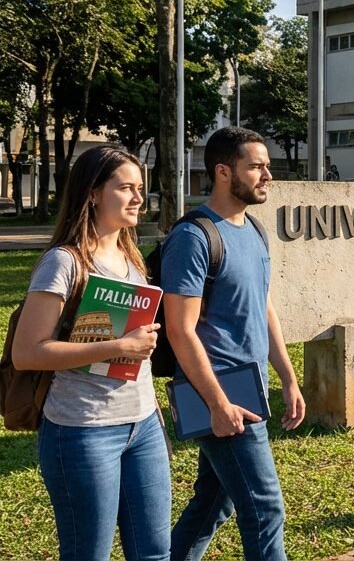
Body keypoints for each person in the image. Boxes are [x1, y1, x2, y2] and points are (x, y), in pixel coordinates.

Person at [13, 145, 169, 561]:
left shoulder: (130, 256)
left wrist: (150, 407)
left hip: (142, 428)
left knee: (154, 552)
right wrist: (118, 346)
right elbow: (26, 353)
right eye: (126, 188)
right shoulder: (62, 262)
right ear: (94, 193)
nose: (139, 197)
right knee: (88, 554)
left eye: (141, 188)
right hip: (83, 430)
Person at [162, 127, 306, 561]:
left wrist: (288, 378)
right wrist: (217, 403)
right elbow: (179, 329)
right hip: (221, 393)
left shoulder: (255, 231)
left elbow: (263, 310)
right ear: (223, 172)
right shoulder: (194, 236)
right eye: (256, 166)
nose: (267, 175)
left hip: (250, 385)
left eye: (267, 166)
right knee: (264, 507)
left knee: (214, 501)